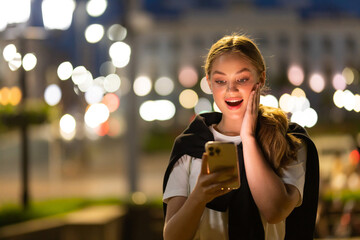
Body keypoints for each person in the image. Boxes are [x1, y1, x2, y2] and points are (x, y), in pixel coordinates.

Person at [162, 34, 319, 240]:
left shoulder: (289, 140)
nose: (231, 89)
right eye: (220, 81)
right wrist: (199, 196)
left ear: (260, 79)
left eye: (242, 79)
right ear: (209, 83)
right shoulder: (190, 145)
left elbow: (275, 211)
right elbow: (172, 237)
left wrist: (248, 138)